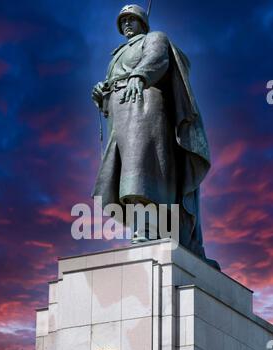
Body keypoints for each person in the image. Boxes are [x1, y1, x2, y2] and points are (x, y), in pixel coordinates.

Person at [91, 4, 220, 270]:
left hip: (146, 109)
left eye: (132, 19)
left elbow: (157, 60)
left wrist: (140, 75)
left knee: (142, 172)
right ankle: (144, 230)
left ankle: (146, 231)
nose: (127, 24)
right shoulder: (116, 55)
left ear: (142, 22)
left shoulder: (155, 38)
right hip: (121, 117)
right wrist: (101, 95)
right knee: (126, 174)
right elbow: (110, 95)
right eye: (123, 21)